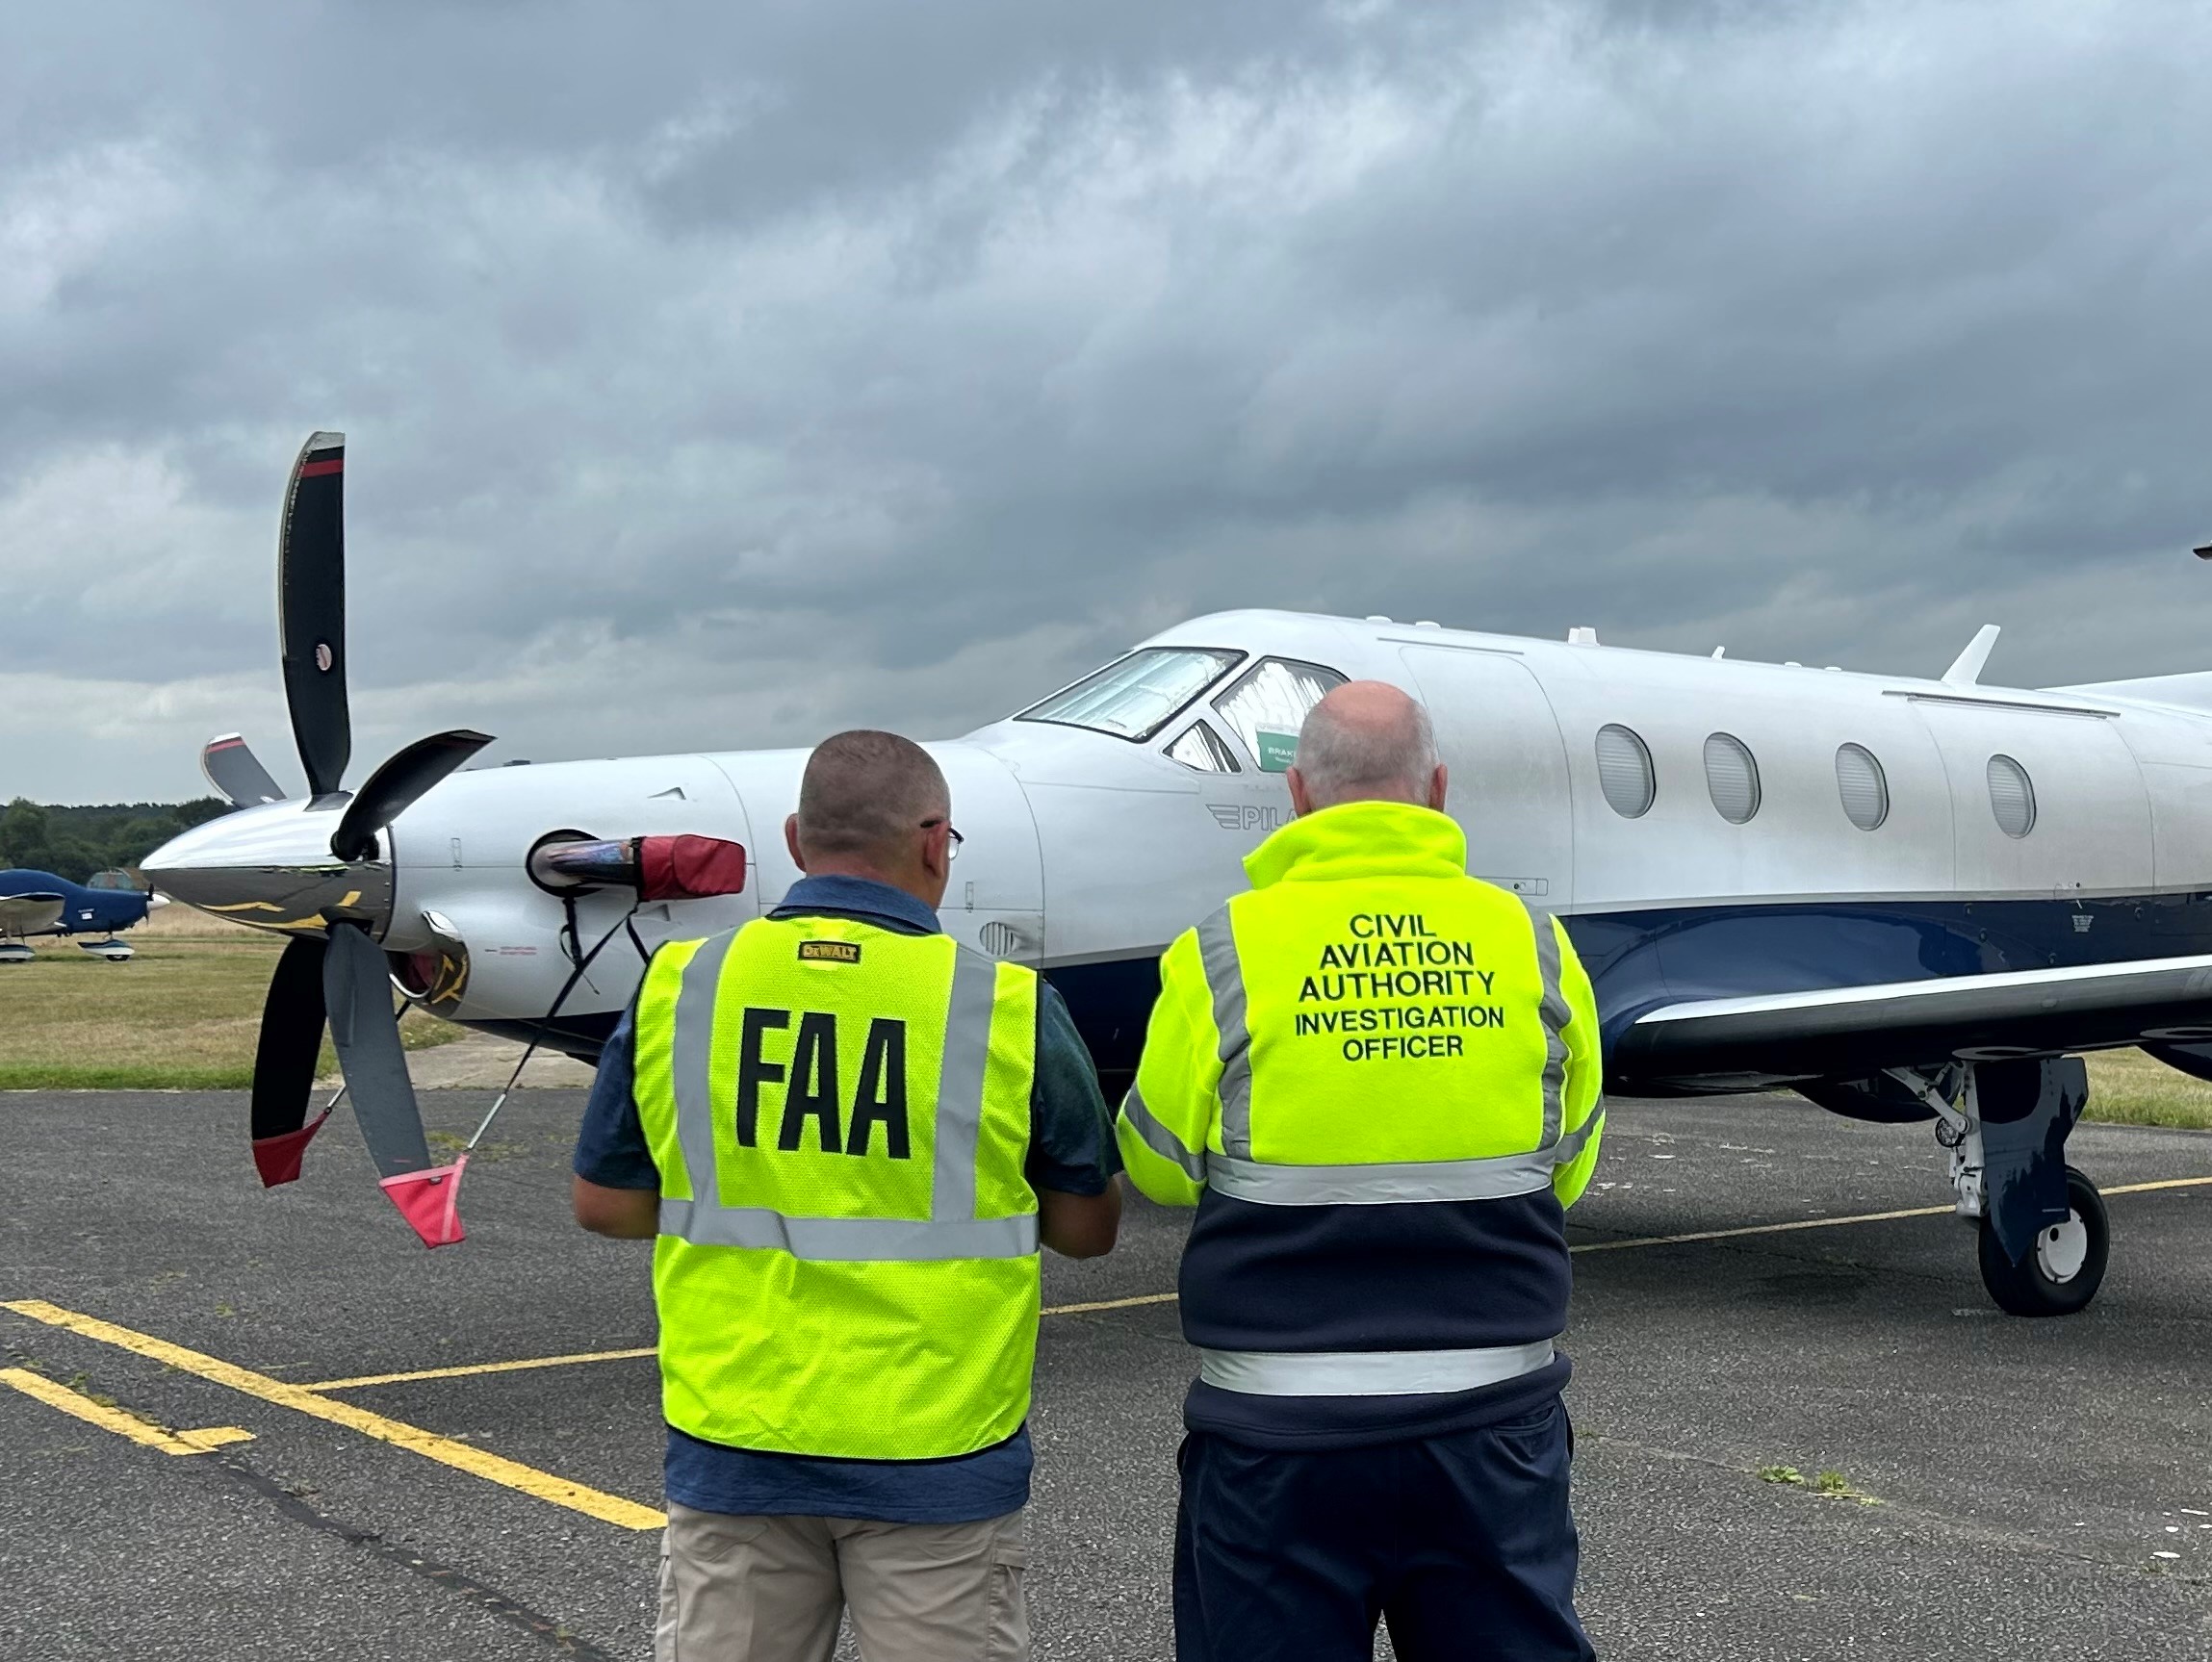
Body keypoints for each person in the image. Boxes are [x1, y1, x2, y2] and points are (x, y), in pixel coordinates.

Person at [574, 729, 1122, 1662]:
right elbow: (1088, 1228)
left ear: (795, 837)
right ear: (935, 838)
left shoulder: (682, 985)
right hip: (938, 1454)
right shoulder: (1006, 1004)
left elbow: (608, 1203)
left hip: (737, 1443)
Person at [1116, 680, 1605, 1662]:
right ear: (1437, 790)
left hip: (1277, 1441)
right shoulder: (1534, 947)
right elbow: (1571, 1169)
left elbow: (1158, 1167)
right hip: (1489, 1434)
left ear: (1297, 793)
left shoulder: (1224, 950)